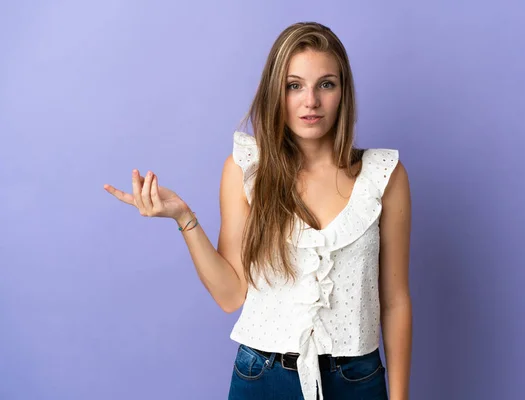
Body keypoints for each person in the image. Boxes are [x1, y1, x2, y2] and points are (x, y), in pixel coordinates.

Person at [104, 21, 412, 400]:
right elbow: (231, 295)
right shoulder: (246, 169)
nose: (310, 101)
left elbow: (395, 300)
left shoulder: (383, 176)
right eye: (293, 85)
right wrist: (185, 218)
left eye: (326, 84)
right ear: (274, 93)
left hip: (357, 380)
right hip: (263, 378)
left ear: (343, 93)